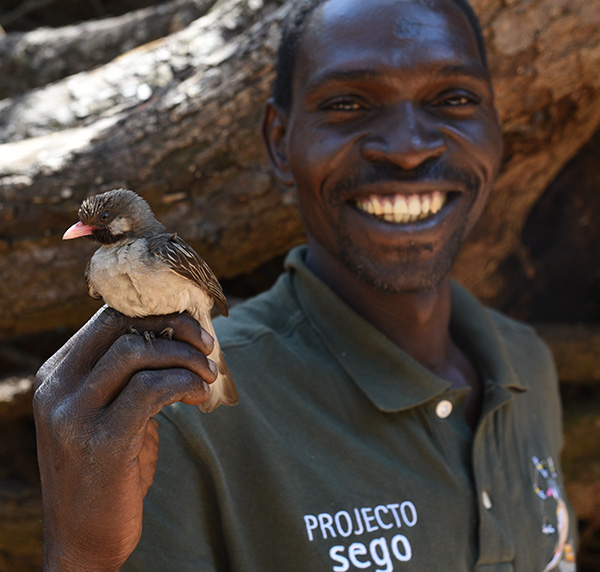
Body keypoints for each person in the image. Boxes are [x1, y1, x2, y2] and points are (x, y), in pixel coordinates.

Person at [33, 0, 577, 570]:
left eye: (455, 99)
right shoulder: (172, 401)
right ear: (278, 140)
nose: (409, 147)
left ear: (498, 127)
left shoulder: (528, 362)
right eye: (347, 103)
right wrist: (83, 555)